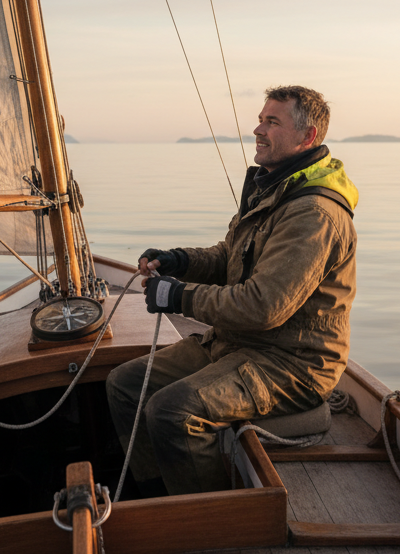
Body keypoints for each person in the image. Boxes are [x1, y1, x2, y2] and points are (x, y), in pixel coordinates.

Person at [106, 85, 359, 496]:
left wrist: (177, 296)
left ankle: (213, 523)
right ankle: (155, 497)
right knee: (125, 385)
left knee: (172, 412)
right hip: (238, 344)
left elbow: (263, 307)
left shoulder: (313, 213)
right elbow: (230, 257)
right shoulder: (274, 189)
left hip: (292, 363)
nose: (257, 129)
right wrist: (179, 261)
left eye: (271, 122)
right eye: (261, 119)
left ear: (306, 137)